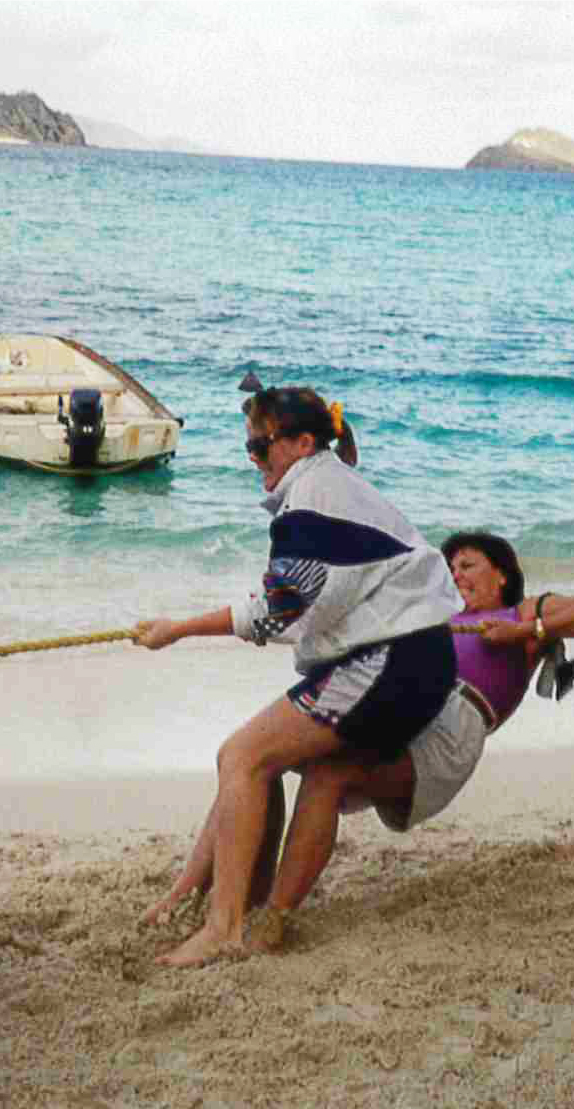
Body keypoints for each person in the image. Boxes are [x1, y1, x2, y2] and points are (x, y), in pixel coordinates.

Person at [139, 531, 574, 947]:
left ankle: (274, 919)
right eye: (451, 569)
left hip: (449, 731)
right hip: (402, 698)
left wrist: (529, 627)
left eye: (468, 566)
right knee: (259, 756)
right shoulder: (435, 618)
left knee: (329, 773)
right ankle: (198, 890)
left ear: (502, 573)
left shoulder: (523, 612)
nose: (457, 576)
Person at [133, 387, 462, 967]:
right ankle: (226, 900)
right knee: (275, 762)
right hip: (416, 659)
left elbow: (278, 610)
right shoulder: (327, 485)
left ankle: (224, 927)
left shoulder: (313, 495)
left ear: (302, 443)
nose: (253, 459)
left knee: (242, 757)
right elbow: (304, 606)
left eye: (261, 447)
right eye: (249, 447)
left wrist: (177, 629)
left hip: (392, 659)